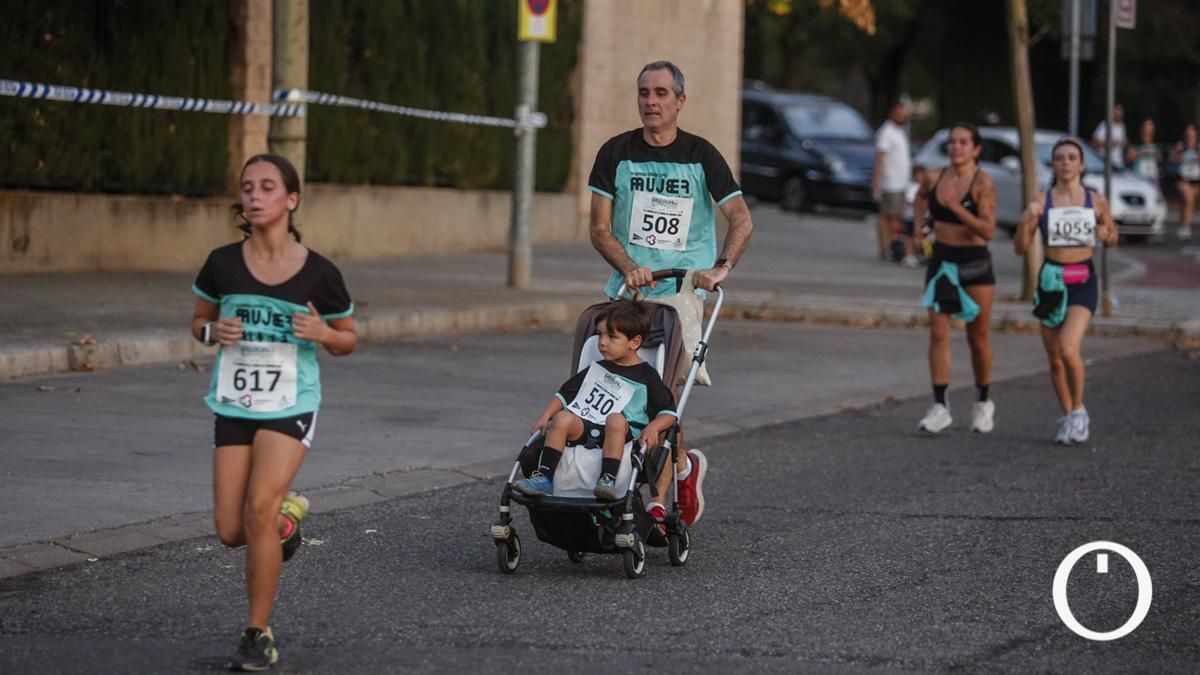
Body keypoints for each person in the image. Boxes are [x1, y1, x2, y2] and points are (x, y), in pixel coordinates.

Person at [191, 154, 357, 671]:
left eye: (267, 187)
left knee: (257, 507)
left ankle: (257, 632)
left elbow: (348, 339)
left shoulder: (319, 273)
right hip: (235, 403)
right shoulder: (222, 263)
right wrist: (211, 333)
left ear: (291, 199)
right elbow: (197, 323)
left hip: (292, 402)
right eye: (247, 187)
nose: (255, 196)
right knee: (230, 529)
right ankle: (287, 521)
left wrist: (323, 334)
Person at [587, 60, 753, 529]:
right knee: (618, 393)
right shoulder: (615, 152)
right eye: (644, 92)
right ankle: (681, 467)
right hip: (628, 289)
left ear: (680, 101)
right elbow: (599, 228)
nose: (651, 101)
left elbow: (742, 219)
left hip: (681, 293)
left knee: (662, 395)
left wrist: (718, 269)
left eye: (661, 93)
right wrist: (628, 267)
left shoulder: (702, 155)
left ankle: (657, 503)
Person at [512, 299, 678, 506]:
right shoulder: (597, 369)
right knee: (562, 418)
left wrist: (654, 426)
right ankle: (544, 478)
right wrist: (545, 416)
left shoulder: (647, 376)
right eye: (599, 334)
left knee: (616, 419)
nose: (602, 342)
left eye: (612, 337)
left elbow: (669, 412)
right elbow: (564, 395)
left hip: (622, 433)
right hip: (588, 423)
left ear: (634, 342)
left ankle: (607, 480)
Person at [1013, 137, 1118, 444]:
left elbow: (1113, 237)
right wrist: (1026, 220)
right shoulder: (1042, 200)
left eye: (1072, 157)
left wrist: (1105, 233)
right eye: (1060, 158)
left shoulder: (1096, 200)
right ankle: (1069, 413)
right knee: (1054, 358)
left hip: (1082, 279)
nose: (1066, 162)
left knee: (1068, 348)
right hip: (1050, 280)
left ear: (1081, 165)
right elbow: (1020, 249)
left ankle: (1080, 410)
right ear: (1053, 165)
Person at [911, 124, 999, 434]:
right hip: (942, 262)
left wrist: (952, 208)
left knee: (978, 338)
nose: (956, 147)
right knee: (937, 334)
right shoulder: (935, 177)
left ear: (976, 149)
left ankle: (983, 401)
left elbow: (987, 230)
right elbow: (920, 199)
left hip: (974, 265)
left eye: (963, 142)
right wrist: (918, 228)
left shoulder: (983, 183)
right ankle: (940, 406)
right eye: (952, 142)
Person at [873, 100, 917, 266]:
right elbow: (880, 157)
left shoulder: (899, 131)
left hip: (900, 182)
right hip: (891, 182)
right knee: (890, 218)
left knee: (892, 216)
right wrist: (876, 180)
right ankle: (888, 248)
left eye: (905, 113)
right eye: (900, 113)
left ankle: (889, 247)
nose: (903, 116)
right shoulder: (887, 132)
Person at [1169, 123, 1200, 241]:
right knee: (1188, 199)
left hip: (1195, 179)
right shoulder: (1181, 146)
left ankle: (1182, 224)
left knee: (1188, 203)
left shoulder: (1198, 147)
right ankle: (1185, 227)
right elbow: (1171, 159)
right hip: (1182, 178)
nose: (1190, 136)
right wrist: (1177, 157)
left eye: (1192, 134)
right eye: (1188, 134)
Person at [1090, 103, 1127, 170]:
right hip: (1106, 163)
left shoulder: (1122, 127)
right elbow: (1094, 143)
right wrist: (1110, 143)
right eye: (1117, 111)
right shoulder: (1104, 125)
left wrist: (1124, 143)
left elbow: (1122, 143)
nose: (1119, 113)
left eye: (1120, 111)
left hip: (1119, 164)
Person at [1126, 118, 1161, 184]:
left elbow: (1160, 158)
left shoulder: (1156, 145)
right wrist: (1143, 154)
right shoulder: (1135, 145)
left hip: (1153, 178)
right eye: (1147, 125)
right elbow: (1128, 158)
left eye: (1151, 125)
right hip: (1139, 178)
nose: (1149, 127)